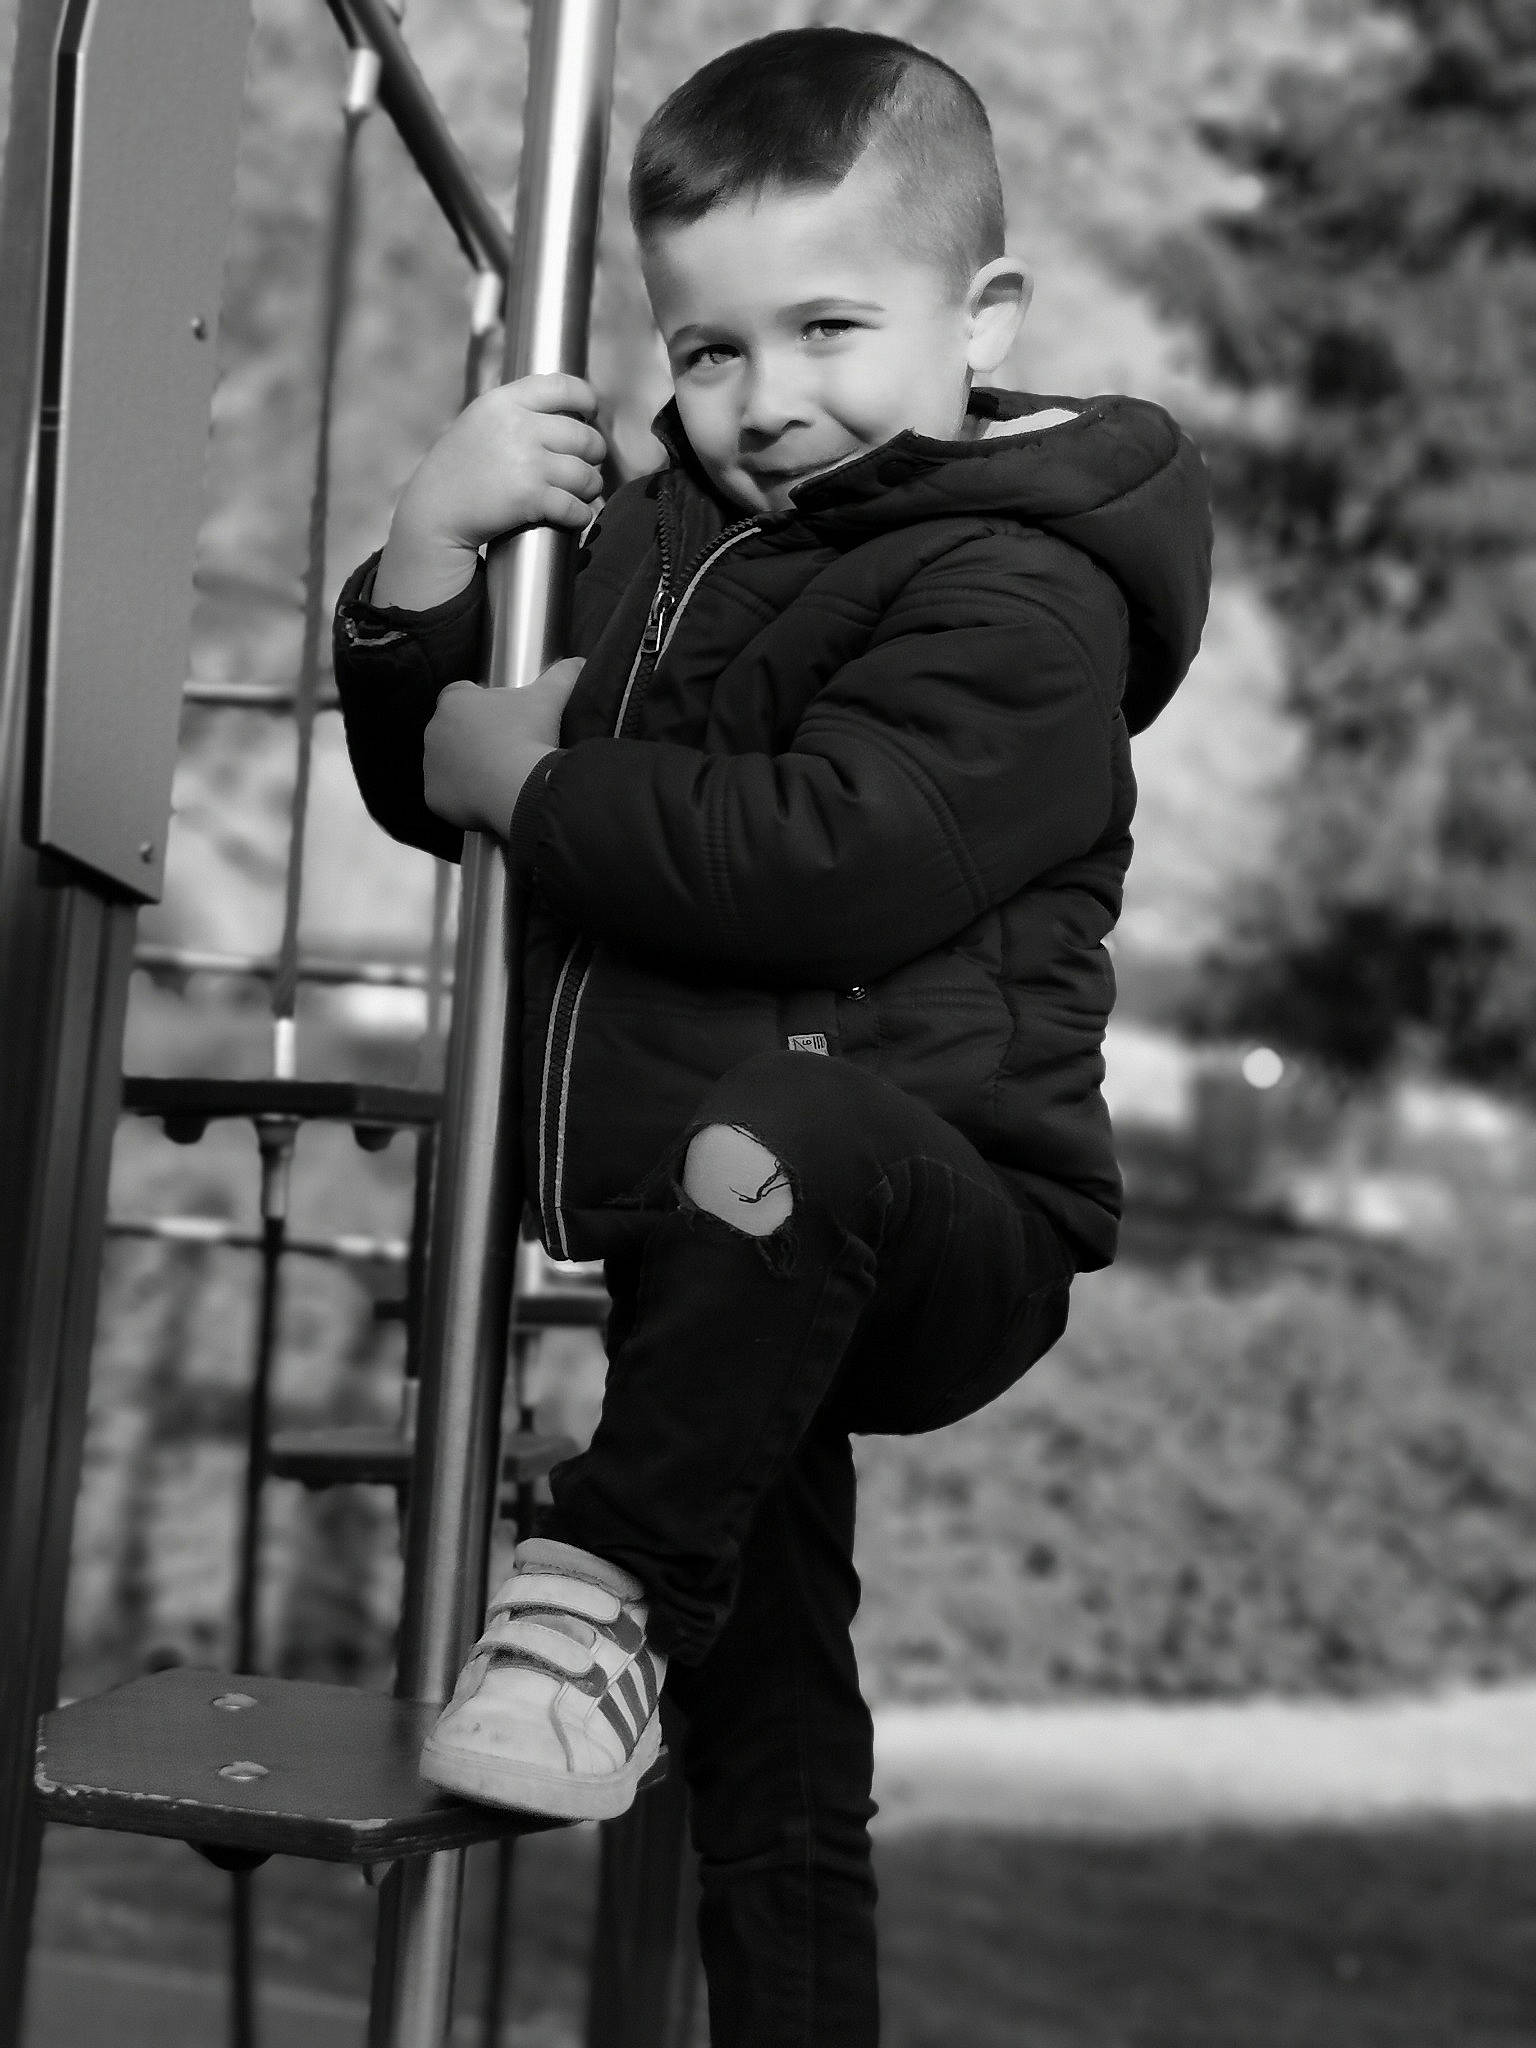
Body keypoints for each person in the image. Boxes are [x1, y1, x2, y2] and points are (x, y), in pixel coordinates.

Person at [334, 24, 1211, 2043]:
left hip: (928, 1206)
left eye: (829, 326)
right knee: (778, 1727)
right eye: (709, 347)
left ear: (977, 317)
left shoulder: (1025, 580)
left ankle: (598, 1586)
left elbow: (838, 860)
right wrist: (429, 559)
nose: (766, 397)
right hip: (719, 1242)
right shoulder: (658, 538)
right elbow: (440, 777)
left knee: (793, 1135)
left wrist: (528, 792)